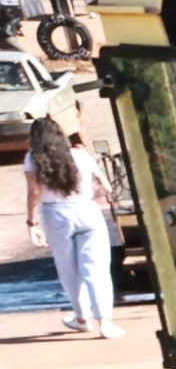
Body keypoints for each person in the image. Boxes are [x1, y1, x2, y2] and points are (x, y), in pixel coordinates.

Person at [26, 115, 114, 337]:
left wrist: (32, 222)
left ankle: (82, 317)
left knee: (69, 269)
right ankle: (105, 322)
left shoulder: (32, 158)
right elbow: (106, 187)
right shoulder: (79, 155)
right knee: (96, 267)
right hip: (86, 209)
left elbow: (34, 192)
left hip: (55, 213)